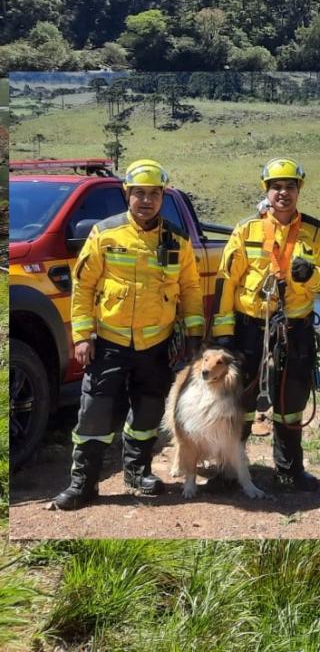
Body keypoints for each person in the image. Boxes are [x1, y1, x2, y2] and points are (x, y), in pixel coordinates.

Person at [52, 159, 204, 510]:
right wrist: (82, 335)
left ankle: (137, 472)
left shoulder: (176, 241)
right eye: (139, 194)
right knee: (94, 414)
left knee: (149, 411)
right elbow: (84, 287)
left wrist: (194, 333)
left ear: (163, 196)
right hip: (108, 342)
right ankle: (83, 485)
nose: (146, 200)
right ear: (127, 195)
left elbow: (191, 288)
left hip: (157, 345)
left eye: (154, 194)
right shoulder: (105, 233)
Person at [211, 157, 320, 492]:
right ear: (266, 191)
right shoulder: (247, 230)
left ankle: (289, 471)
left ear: (299, 190)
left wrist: (313, 275)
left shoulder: (317, 232)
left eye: (289, 187)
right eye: (276, 187)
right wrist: (224, 334)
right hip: (248, 326)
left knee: (291, 399)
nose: (283, 193)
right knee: (239, 401)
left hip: (294, 328)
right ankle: (230, 470)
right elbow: (227, 281)